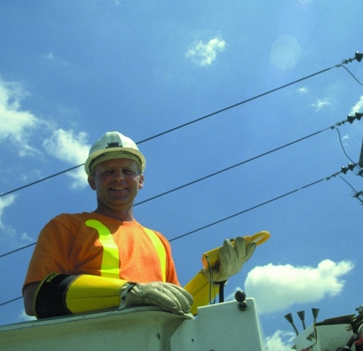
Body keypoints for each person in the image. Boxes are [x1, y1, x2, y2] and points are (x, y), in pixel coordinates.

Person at [23, 131, 256, 318]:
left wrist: (213, 278)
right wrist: (127, 294)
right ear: (92, 182)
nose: (118, 178)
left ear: (140, 181)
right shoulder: (66, 226)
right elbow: (36, 298)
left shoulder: (159, 241)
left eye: (127, 171)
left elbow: (182, 308)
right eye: (107, 172)